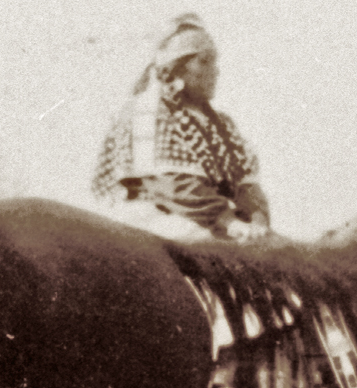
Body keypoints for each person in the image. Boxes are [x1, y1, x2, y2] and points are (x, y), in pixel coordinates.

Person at [93, 16, 271, 238]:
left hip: (215, 219)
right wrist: (228, 222)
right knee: (213, 252)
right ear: (176, 69)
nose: (215, 71)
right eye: (204, 62)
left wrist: (258, 218)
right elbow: (170, 185)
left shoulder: (222, 124)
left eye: (215, 62)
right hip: (151, 217)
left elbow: (246, 185)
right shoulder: (148, 111)